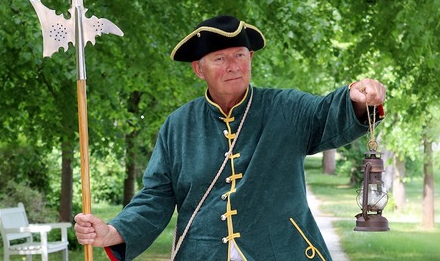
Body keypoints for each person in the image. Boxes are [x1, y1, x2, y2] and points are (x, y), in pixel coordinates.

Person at [74, 15, 386, 261]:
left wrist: (356, 97)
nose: (233, 66)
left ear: (251, 57)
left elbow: (324, 113)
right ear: (199, 69)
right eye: (220, 59)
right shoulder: (177, 126)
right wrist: (113, 231)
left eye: (239, 54)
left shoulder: (285, 108)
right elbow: (155, 198)